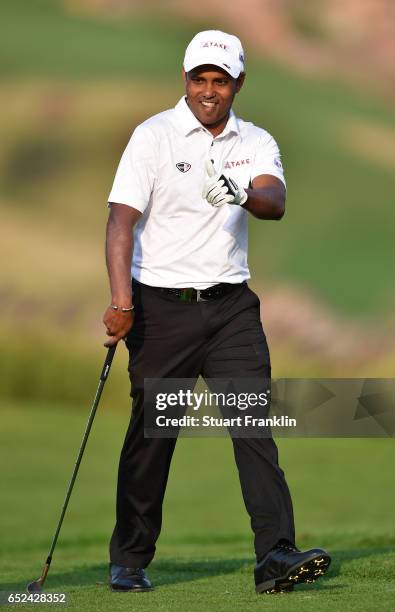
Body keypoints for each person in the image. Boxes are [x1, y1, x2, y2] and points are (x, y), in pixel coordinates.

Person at [102, 30, 331, 595]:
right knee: (153, 439)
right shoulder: (152, 136)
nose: (210, 90)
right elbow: (119, 222)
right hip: (160, 310)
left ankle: (276, 555)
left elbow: (274, 202)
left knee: (255, 429)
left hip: (231, 310)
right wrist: (121, 303)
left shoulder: (254, 140)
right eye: (200, 79)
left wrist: (240, 192)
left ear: (238, 84)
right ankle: (129, 559)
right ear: (186, 80)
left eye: (221, 80)